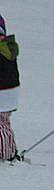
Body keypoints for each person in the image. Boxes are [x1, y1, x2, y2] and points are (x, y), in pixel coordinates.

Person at [0, 13, 20, 161]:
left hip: (4, 93)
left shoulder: (3, 50)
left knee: (1, 125)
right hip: (8, 93)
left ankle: (5, 153)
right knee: (4, 123)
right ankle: (10, 149)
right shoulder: (7, 48)